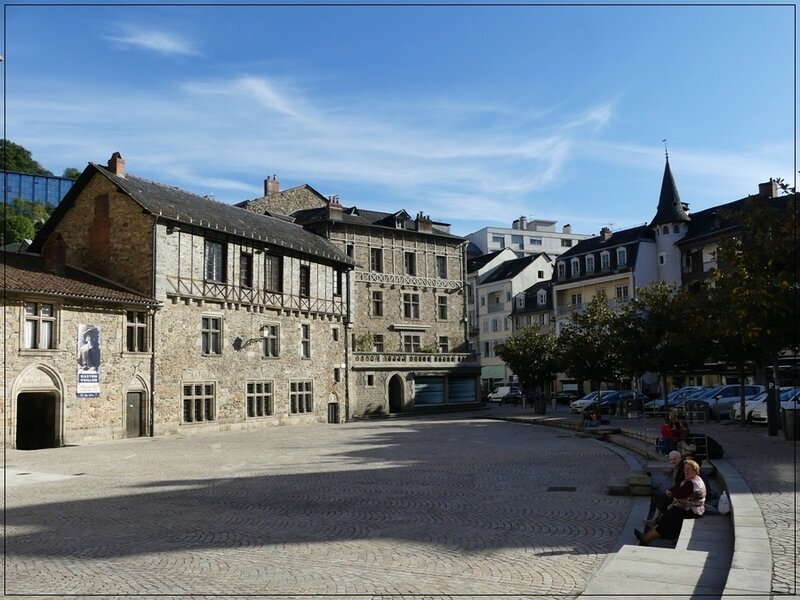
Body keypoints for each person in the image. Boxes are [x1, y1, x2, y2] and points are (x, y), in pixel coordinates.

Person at [635, 459, 706, 545]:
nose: (686, 471)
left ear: (695, 470)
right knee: (668, 514)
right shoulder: (693, 479)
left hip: (693, 511)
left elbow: (679, 494)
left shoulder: (691, 482)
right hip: (689, 508)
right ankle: (648, 536)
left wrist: (671, 493)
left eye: (689, 469)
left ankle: (647, 538)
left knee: (670, 516)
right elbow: (678, 487)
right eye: (685, 469)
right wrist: (670, 491)